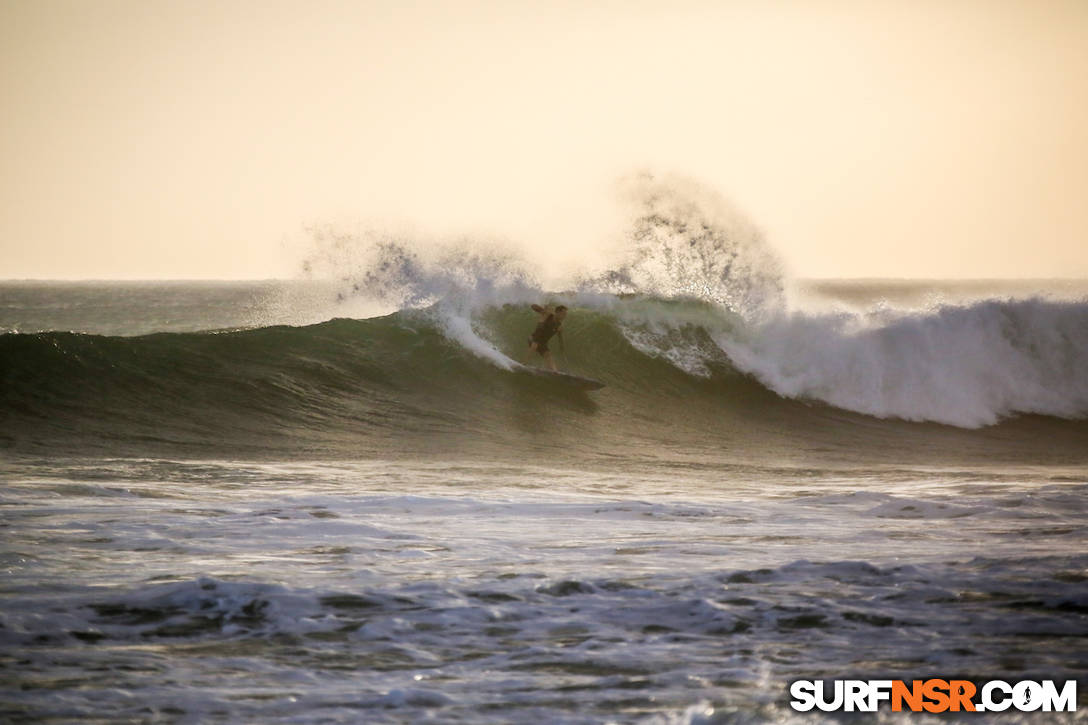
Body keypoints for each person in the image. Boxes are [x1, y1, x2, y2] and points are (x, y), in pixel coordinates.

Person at [527, 304, 567, 372]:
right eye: (563, 314)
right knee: (534, 345)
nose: (564, 316)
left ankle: (554, 371)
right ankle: (524, 363)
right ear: (557, 312)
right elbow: (533, 306)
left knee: (548, 356)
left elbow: (560, 339)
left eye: (565, 314)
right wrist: (543, 311)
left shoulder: (559, 326)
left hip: (543, 343)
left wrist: (562, 348)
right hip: (534, 338)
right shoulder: (549, 315)